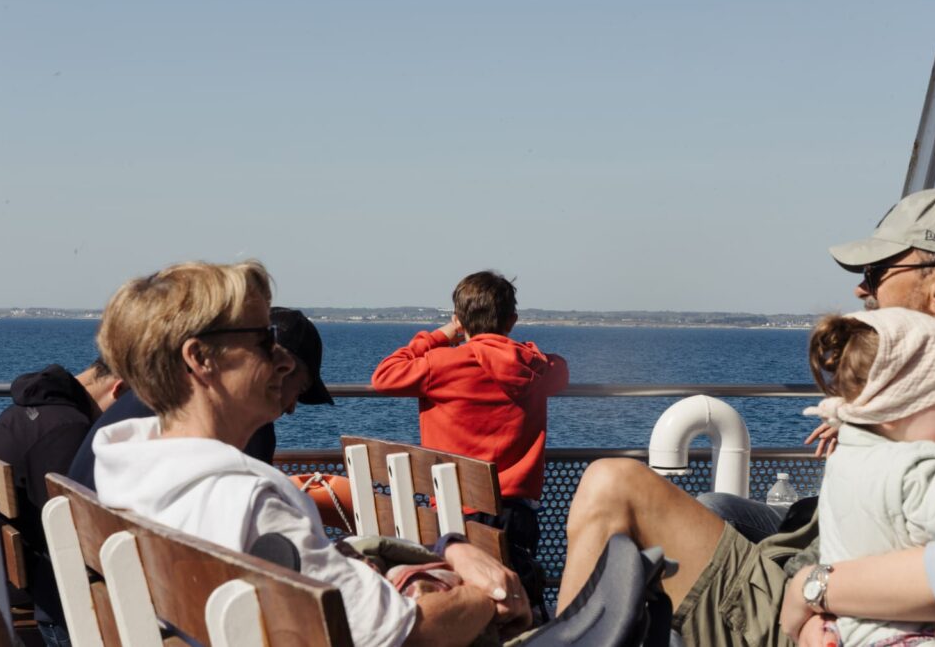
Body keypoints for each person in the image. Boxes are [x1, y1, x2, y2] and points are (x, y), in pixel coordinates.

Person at [557, 185, 935, 646]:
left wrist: (817, 595)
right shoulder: (911, 397)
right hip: (804, 576)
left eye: (877, 271)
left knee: (613, 486)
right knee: (710, 506)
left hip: (818, 609)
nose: (861, 288)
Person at [92, 259, 531, 646]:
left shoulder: (125, 466)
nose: (284, 362)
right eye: (264, 342)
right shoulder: (250, 503)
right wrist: (487, 593)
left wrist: (449, 547)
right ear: (200, 358)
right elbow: (404, 633)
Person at [371, 270, 569, 615]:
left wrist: (441, 336)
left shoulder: (438, 365)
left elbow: (384, 375)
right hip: (516, 516)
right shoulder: (536, 369)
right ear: (512, 320)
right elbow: (561, 369)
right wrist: (529, 351)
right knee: (517, 599)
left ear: (460, 321)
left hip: (452, 516)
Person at [803, 308, 935, 645]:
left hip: (853, 630)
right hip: (903, 634)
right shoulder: (914, 471)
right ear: (893, 411)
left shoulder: (848, 456)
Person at [66, 306, 333, 488]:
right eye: (299, 390)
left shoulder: (146, 400)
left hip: (103, 560)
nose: (291, 408)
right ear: (280, 368)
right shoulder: (241, 423)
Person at [0, 358, 126, 647]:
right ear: (118, 391)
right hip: (58, 607)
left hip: (19, 579)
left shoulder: (26, 412)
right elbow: (77, 531)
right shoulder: (70, 430)